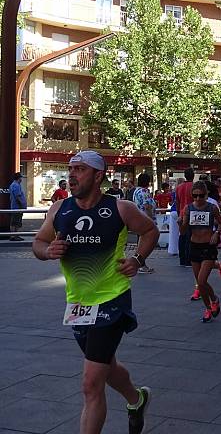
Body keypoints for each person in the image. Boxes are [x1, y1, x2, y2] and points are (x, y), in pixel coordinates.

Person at [32, 150, 159, 434]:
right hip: (77, 304)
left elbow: (150, 231)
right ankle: (136, 399)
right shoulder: (59, 209)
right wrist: (48, 251)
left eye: (79, 169)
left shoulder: (120, 208)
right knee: (105, 365)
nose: (71, 174)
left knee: (91, 383)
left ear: (98, 175)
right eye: (70, 168)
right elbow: (39, 242)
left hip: (112, 299)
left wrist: (137, 259)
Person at [179, 181, 221, 323]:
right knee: (201, 284)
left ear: (206, 195)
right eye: (195, 196)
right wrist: (181, 222)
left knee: (201, 280)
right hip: (194, 246)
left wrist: (216, 233)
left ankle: (214, 299)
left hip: (208, 247)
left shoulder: (212, 208)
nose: (198, 199)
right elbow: (183, 231)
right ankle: (208, 307)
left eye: (201, 196)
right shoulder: (188, 208)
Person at [133, 173, 157, 273]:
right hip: (145, 220)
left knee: (140, 243)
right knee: (144, 244)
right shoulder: (144, 192)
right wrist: (151, 221)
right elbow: (147, 206)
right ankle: (140, 264)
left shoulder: (136, 191)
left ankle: (140, 264)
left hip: (139, 219)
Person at [176, 168, 194, 269]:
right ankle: (188, 260)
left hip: (182, 214)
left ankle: (182, 259)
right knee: (190, 237)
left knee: (182, 236)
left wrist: (180, 214)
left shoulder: (179, 187)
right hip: (192, 214)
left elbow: (177, 202)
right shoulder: (194, 186)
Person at [9, 172, 27, 241]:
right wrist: (22, 205)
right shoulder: (16, 185)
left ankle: (14, 235)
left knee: (15, 221)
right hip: (17, 207)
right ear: (19, 178)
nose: (21, 179)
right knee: (16, 222)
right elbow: (18, 197)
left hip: (15, 207)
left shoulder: (15, 185)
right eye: (21, 177)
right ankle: (14, 236)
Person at [168, 179, 183, 256]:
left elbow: (171, 203)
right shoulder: (183, 191)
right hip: (181, 211)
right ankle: (181, 249)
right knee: (182, 232)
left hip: (173, 211)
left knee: (173, 232)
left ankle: (173, 250)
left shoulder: (174, 191)